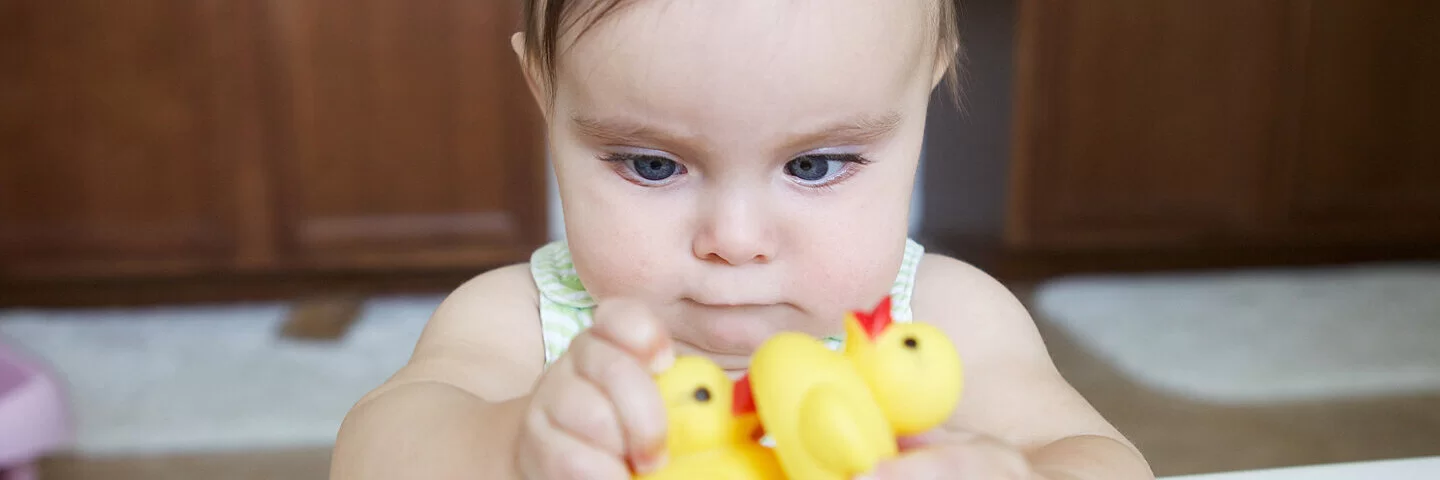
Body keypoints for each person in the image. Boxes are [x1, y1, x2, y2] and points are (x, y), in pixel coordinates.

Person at [331, 0, 1154, 478]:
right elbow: (372, 452)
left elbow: (1097, 459)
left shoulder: (942, 319)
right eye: (652, 165)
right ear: (545, 92)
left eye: (818, 164)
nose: (734, 241)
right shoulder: (523, 322)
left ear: (925, 86)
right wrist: (508, 443)